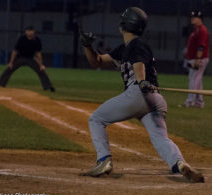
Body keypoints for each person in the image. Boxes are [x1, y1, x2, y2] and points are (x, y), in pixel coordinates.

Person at [79, 7, 204, 183]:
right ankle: (180, 163)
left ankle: (103, 160)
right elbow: (97, 61)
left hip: (139, 93)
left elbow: (139, 63)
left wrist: (141, 80)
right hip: (155, 99)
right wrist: (87, 46)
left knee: (96, 119)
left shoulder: (136, 45)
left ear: (124, 24)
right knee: (160, 138)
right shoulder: (126, 48)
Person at [0, 26, 55, 92]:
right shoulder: (22, 39)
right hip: (20, 57)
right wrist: (11, 63)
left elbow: (38, 54)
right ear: (26, 32)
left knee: (41, 70)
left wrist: (41, 65)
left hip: (31, 58)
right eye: (27, 31)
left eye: (31, 31)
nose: (29, 32)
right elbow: (15, 51)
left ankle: (49, 87)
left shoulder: (37, 40)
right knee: (9, 69)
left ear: (34, 32)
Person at [182, 11, 209, 108]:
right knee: (197, 80)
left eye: (195, 17)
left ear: (200, 19)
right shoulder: (196, 30)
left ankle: (190, 102)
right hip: (194, 58)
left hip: (199, 59)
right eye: (192, 17)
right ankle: (199, 102)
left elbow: (201, 46)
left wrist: (197, 59)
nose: (192, 19)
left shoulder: (202, 30)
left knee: (194, 79)